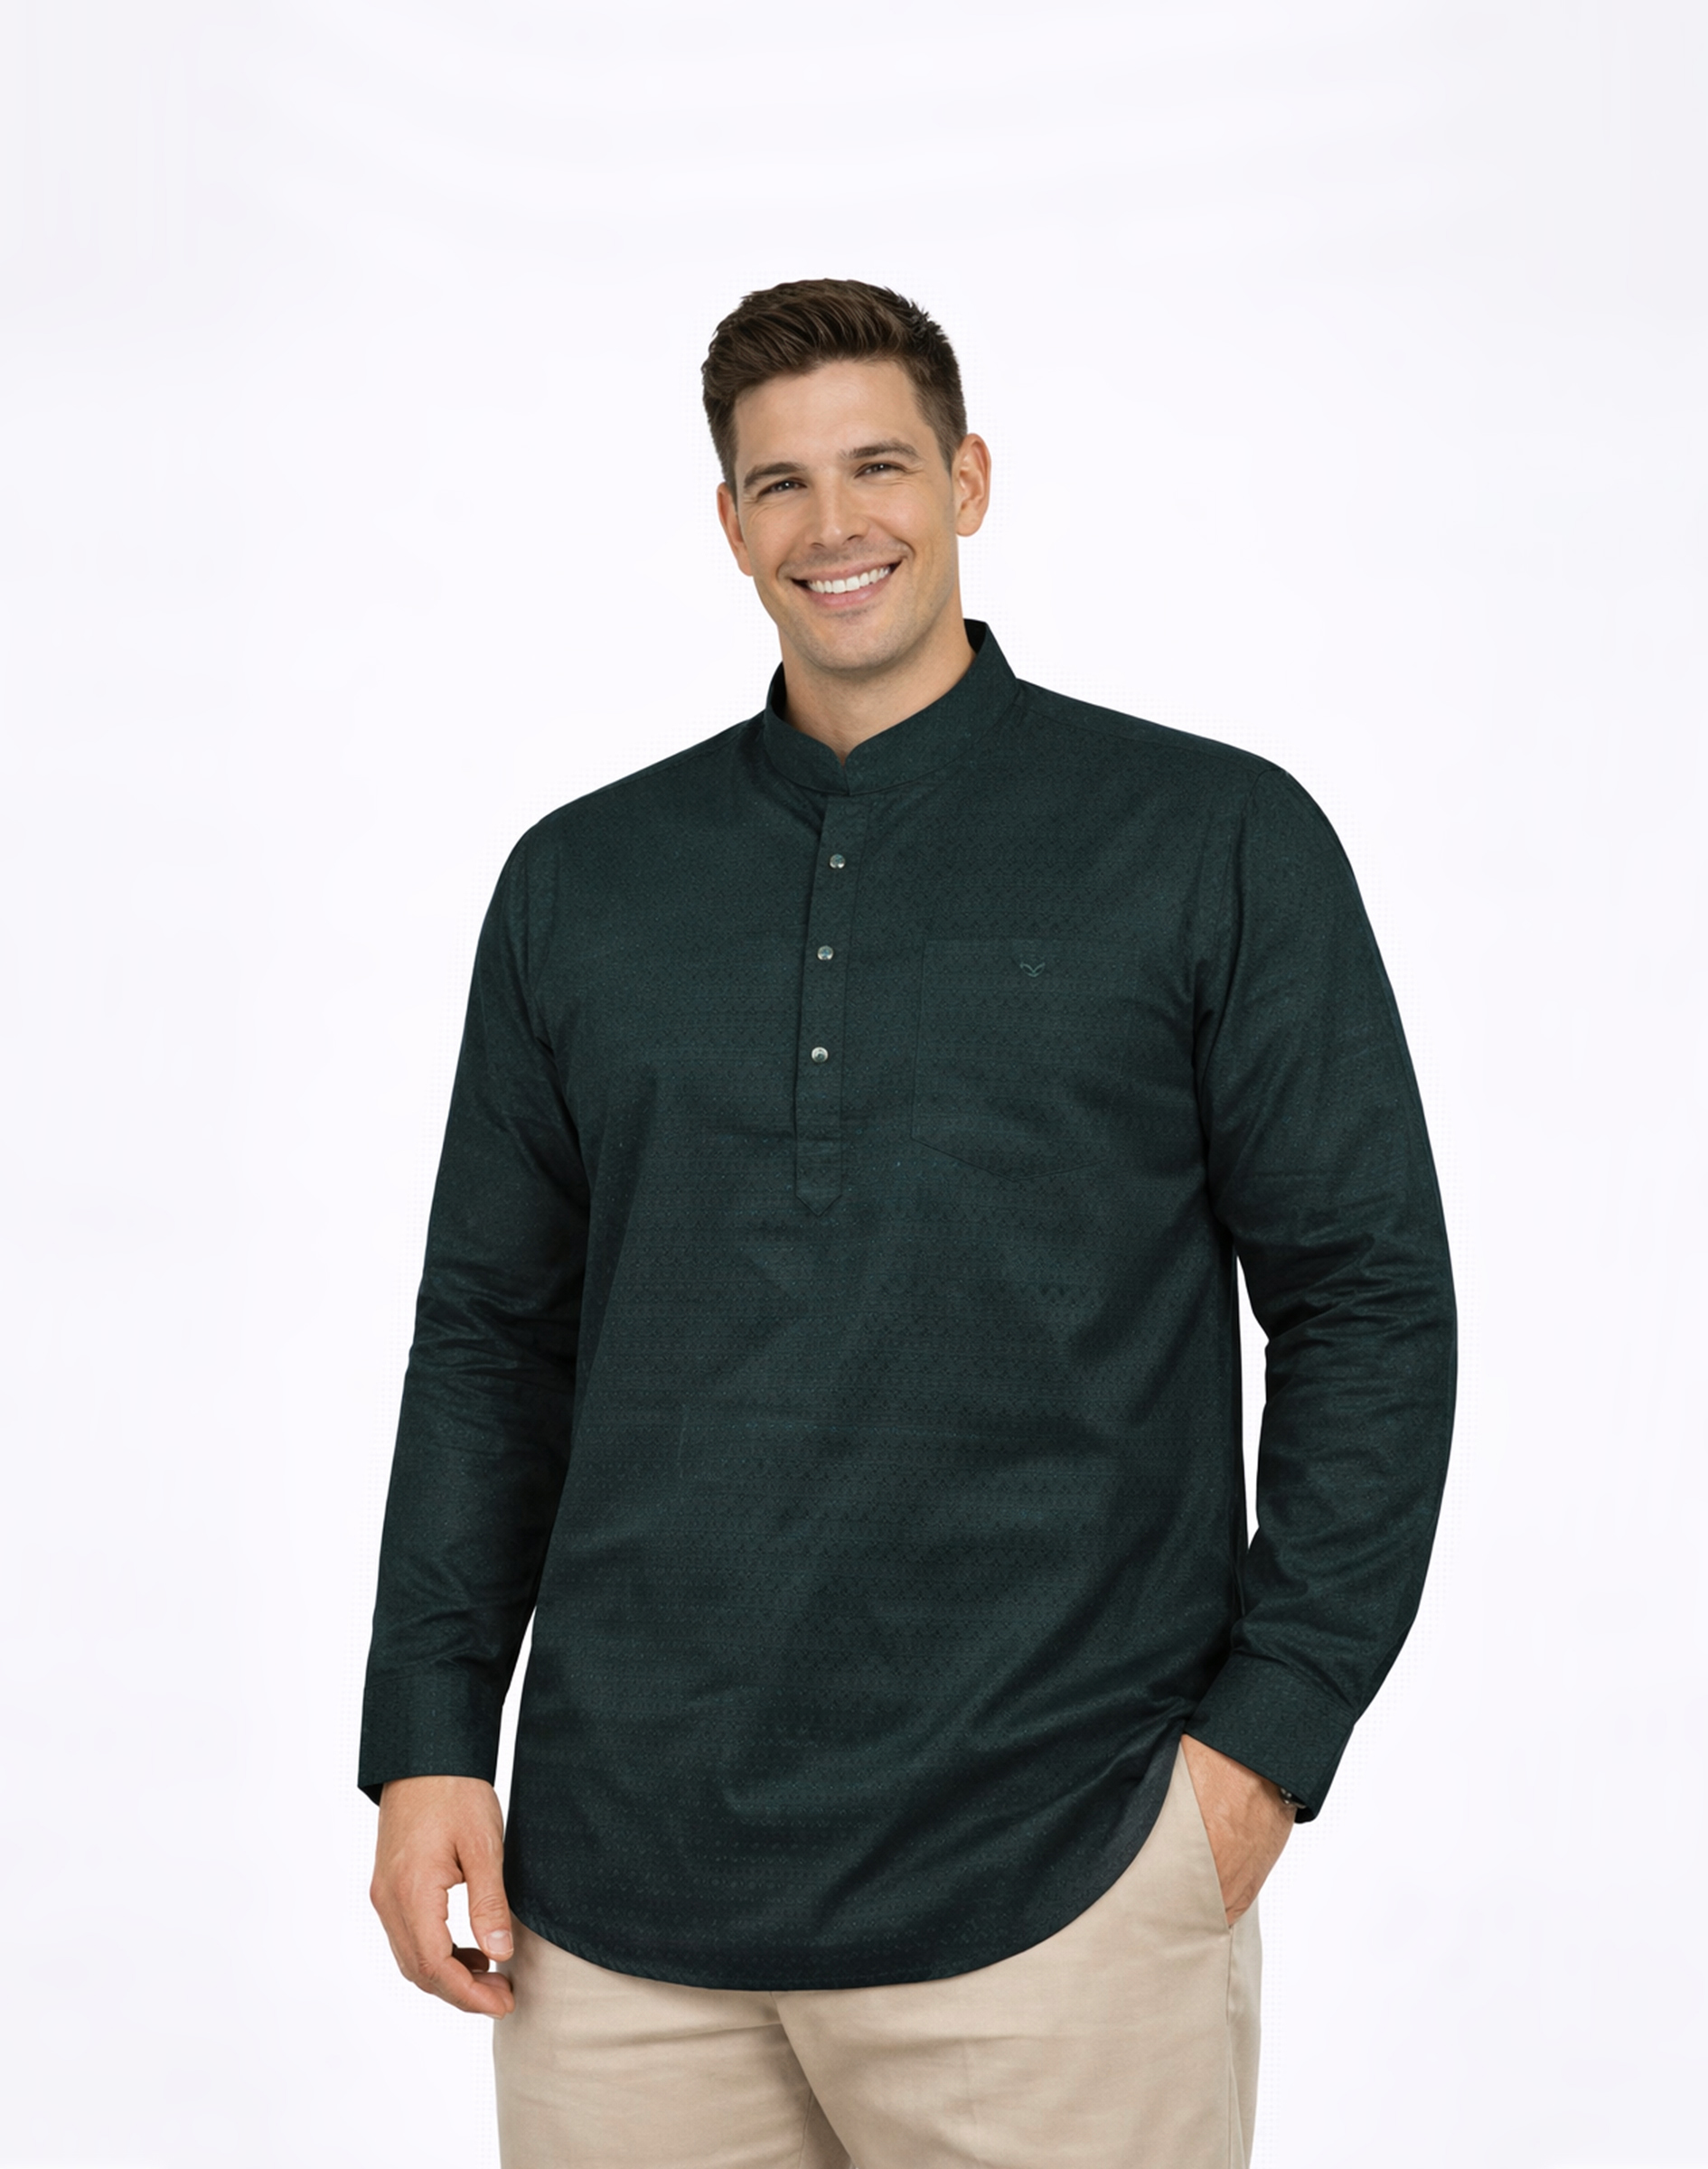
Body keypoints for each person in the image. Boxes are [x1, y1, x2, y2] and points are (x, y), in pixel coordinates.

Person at [361, 277, 1456, 2169]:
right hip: (615, 1913)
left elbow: (1367, 1301)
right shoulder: (581, 883)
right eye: (777, 484)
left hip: (1057, 1882)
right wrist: (430, 1732)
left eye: (877, 465)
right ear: (728, 526)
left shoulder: (1209, 838)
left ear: (967, 480)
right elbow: (491, 1336)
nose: (832, 522)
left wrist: (1269, 1743)